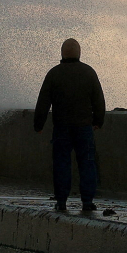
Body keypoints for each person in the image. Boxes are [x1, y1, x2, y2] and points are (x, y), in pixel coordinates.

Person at [33, 38, 105, 212]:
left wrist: (38, 124)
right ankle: (87, 202)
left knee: (62, 164)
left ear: (62, 53)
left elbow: (43, 102)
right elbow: (99, 101)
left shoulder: (54, 73)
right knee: (87, 163)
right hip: (84, 128)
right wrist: (98, 121)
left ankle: (62, 201)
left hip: (62, 128)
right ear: (79, 53)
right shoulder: (89, 72)